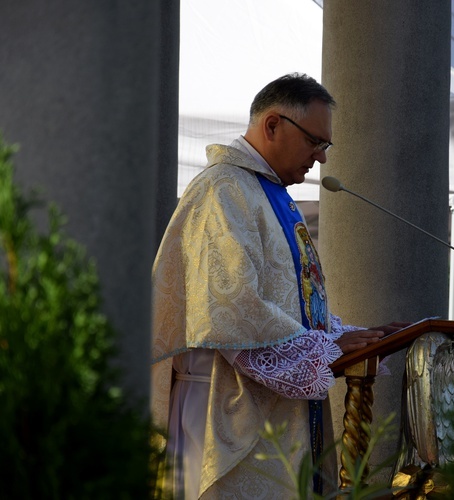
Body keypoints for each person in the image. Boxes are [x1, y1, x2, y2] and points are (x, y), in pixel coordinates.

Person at [151, 73, 407, 499]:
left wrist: (345, 336)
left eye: (325, 146)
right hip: (224, 408)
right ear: (273, 126)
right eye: (315, 142)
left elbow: (291, 304)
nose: (321, 159)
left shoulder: (268, 193)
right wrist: (326, 347)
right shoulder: (223, 190)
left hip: (268, 413)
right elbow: (229, 308)